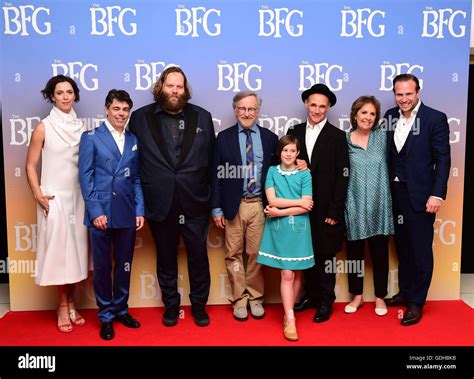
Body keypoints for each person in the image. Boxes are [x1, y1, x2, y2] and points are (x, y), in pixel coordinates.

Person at [128, 66, 215, 327]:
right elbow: (134, 162)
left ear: (185, 90)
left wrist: (214, 202)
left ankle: (199, 306)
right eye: (170, 85)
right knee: (165, 257)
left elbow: (211, 162)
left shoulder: (203, 117)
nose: (175, 90)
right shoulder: (140, 118)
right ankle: (171, 306)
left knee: (198, 255)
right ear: (160, 87)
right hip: (160, 201)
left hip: (195, 201)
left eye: (179, 86)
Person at [383, 74, 450, 326]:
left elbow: (443, 160)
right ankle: (406, 292)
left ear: (418, 92)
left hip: (422, 196)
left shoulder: (434, 118)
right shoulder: (389, 116)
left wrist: (437, 193)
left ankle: (416, 302)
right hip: (395, 194)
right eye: (399, 94)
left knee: (420, 249)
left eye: (408, 94)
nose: (404, 99)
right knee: (403, 247)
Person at [79, 89, 145, 340]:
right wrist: (96, 211)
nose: (121, 114)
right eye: (116, 108)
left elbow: (137, 178)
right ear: (107, 109)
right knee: (104, 266)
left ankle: (120, 309)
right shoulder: (92, 137)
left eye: (125, 109)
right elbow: (85, 178)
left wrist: (139, 209)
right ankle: (105, 315)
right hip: (102, 213)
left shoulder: (133, 140)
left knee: (124, 265)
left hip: (127, 212)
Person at [25, 75, 88, 333]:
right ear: (51, 96)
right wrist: (38, 194)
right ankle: (62, 305)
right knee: (60, 253)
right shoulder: (44, 127)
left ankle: (72, 302)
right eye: (59, 92)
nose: (65, 96)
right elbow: (30, 165)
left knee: (75, 253)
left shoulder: (81, 127)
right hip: (54, 198)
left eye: (69, 92)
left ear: (74, 95)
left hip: (78, 198)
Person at [211, 91, 278, 321]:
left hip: (259, 205)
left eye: (251, 109)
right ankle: (239, 299)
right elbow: (216, 175)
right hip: (234, 205)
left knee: (256, 254)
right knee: (233, 255)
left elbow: (279, 172)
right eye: (242, 108)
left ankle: (255, 297)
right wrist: (217, 208)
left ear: (257, 111)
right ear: (235, 110)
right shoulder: (223, 138)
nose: (246, 113)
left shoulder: (270, 138)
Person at [288, 83, 349, 323]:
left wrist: (335, 209)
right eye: (313, 104)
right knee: (305, 253)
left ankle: (325, 301)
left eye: (322, 106)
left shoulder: (337, 136)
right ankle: (310, 297)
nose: (317, 109)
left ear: (328, 107)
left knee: (325, 255)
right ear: (306, 104)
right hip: (300, 206)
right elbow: (282, 163)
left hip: (326, 208)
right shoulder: (294, 131)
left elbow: (343, 175)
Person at [257, 135, 314, 341]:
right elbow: (272, 199)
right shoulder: (272, 171)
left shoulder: (305, 174)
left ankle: (288, 311)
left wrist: (280, 211)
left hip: (298, 228)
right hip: (279, 229)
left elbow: (307, 205)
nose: (288, 154)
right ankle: (290, 318)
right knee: (287, 274)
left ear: (298, 153)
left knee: (297, 272)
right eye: (285, 150)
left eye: (292, 151)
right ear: (279, 152)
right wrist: (298, 203)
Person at [343, 96, 394, 317]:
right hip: (352, 203)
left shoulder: (383, 138)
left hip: (379, 204)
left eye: (372, 114)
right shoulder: (343, 140)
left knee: (380, 253)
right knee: (354, 253)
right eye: (364, 113)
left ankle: (380, 297)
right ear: (355, 115)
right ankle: (357, 296)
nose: (368, 117)